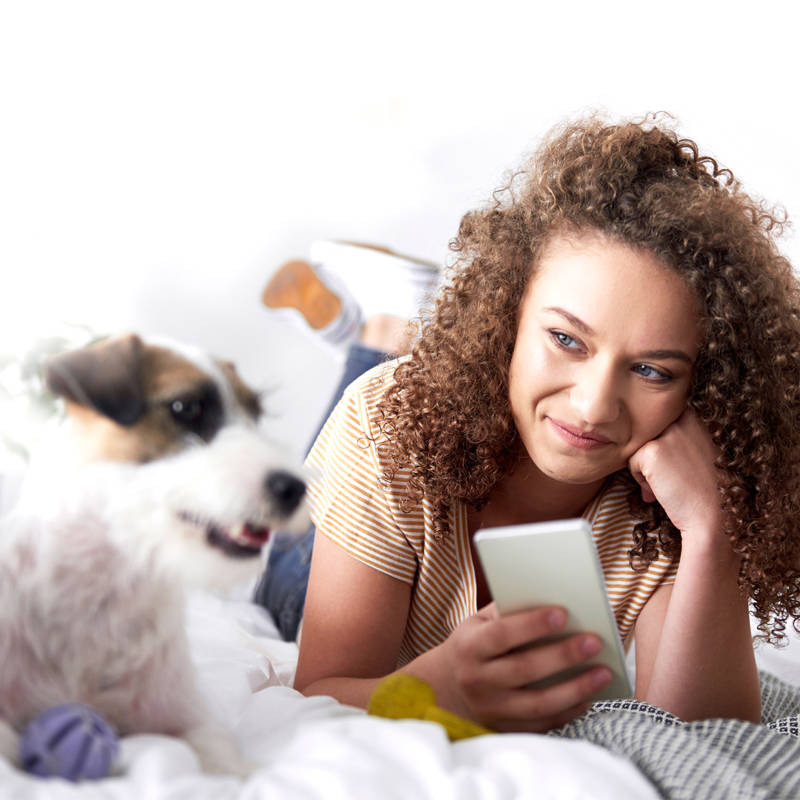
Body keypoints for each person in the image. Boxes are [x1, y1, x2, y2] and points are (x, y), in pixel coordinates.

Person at [292, 114, 800, 732]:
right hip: (343, 533)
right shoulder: (387, 423)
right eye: (565, 339)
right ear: (507, 316)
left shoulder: (672, 500)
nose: (593, 407)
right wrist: (438, 691)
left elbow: (704, 739)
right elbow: (316, 692)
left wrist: (712, 528)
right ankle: (383, 326)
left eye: (652, 370)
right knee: (288, 564)